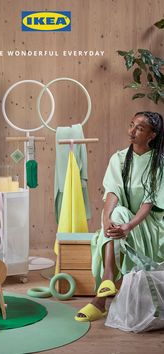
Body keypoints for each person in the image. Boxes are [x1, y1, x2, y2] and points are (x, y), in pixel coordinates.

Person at [75, 111, 164, 322]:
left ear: (152, 135)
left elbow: (148, 203)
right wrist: (107, 222)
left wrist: (129, 226)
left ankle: (100, 299)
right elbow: (112, 193)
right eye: (131, 125)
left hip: (149, 223)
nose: (132, 131)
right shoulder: (119, 158)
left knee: (120, 216)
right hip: (121, 221)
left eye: (139, 128)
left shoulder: (159, 163)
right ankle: (107, 278)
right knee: (116, 212)